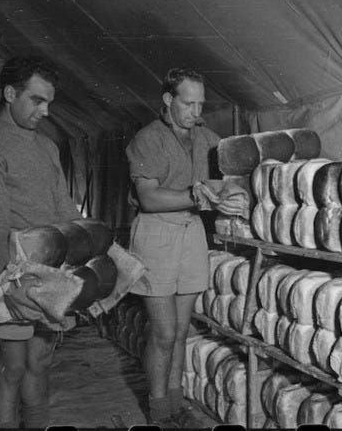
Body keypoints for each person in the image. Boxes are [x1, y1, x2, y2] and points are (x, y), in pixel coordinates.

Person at [0, 55, 81, 428]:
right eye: (37, 100)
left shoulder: (46, 148)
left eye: (49, 102)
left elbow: (66, 209)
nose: (45, 111)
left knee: (40, 364)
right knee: (12, 367)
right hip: (10, 270)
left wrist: (91, 262)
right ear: (10, 93)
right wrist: (5, 286)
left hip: (50, 271)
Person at [126, 68, 241, 427]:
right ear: (168, 100)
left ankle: (175, 405)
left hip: (191, 232)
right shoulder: (147, 139)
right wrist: (197, 195)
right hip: (156, 233)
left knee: (180, 330)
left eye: (200, 103)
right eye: (188, 103)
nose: (196, 111)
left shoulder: (207, 138)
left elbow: (231, 177)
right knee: (162, 332)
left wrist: (233, 194)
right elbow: (148, 198)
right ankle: (158, 411)